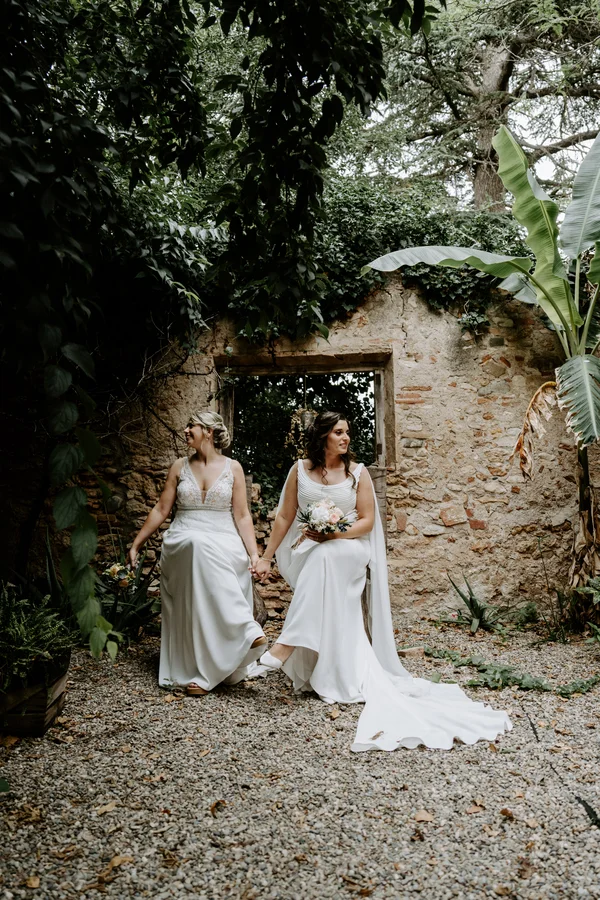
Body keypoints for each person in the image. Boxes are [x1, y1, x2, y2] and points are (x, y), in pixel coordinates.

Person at [253, 411, 511, 751]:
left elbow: (367, 522)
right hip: (311, 551)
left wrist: (334, 533)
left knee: (328, 556)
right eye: (339, 433)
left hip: (349, 548)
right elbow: (285, 515)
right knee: (319, 559)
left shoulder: (357, 474)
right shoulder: (299, 471)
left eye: (347, 432)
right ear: (323, 437)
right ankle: (326, 668)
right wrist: (267, 556)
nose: (346, 438)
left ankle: (284, 645)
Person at [128, 410, 266, 696]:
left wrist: (253, 555)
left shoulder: (234, 468)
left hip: (223, 536)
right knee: (196, 544)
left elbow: (242, 515)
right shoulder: (179, 466)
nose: (187, 429)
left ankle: (211, 670)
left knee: (207, 549)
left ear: (209, 431)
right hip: (184, 535)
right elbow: (161, 509)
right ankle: (244, 628)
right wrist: (136, 543)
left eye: (192, 425)